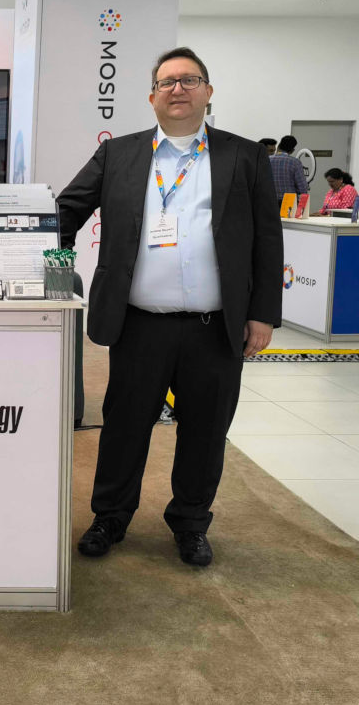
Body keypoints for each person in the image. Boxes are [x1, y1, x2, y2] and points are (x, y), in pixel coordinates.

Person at [56, 46, 282, 568]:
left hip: (215, 327)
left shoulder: (245, 156)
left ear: (208, 92)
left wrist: (262, 313)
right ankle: (110, 517)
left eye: (189, 80)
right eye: (167, 82)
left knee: (205, 432)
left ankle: (191, 523)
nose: (178, 89)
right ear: (152, 96)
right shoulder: (119, 154)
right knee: (124, 428)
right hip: (140, 325)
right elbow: (65, 211)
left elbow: (267, 240)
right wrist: (30, 256)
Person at [268, 134, 309, 202]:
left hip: (270, 200)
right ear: (292, 150)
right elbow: (303, 188)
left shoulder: (267, 160)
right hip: (289, 201)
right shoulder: (295, 162)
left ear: (278, 146)